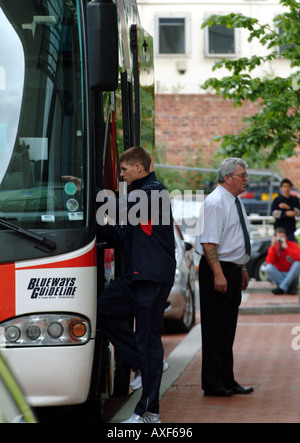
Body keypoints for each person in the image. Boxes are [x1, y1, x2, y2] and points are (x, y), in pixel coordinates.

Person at [97, 146, 176, 423]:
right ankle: (148, 366)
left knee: (148, 341)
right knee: (103, 311)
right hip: (135, 276)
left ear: (138, 168)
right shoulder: (139, 194)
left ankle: (148, 412)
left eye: (124, 169)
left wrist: (90, 195)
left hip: (151, 278)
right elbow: (119, 234)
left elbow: (116, 215)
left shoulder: (153, 191)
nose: (120, 174)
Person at [195, 158, 254, 397]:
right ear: (227, 177)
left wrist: (241, 268)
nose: (246, 179)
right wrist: (219, 274)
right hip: (217, 270)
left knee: (227, 330)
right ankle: (213, 383)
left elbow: (236, 238)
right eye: (242, 174)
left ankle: (227, 379)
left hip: (231, 269)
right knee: (214, 329)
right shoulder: (216, 202)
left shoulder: (234, 201)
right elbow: (209, 241)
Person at [265, 227, 300, 295]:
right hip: (279, 275)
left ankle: (282, 287)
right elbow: (269, 261)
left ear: (286, 237)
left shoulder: (292, 245)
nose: (280, 239)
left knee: (298, 263)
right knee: (268, 268)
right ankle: (286, 286)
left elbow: (298, 258)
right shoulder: (274, 247)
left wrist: (286, 248)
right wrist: (272, 246)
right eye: (278, 237)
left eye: (282, 237)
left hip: (291, 275)